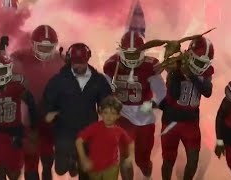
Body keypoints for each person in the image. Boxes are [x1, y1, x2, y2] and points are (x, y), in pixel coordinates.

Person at [43, 42, 112, 180]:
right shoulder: (58, 80)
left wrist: (105, 110)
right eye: (75, 62)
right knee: (61, 170)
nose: (78, 65)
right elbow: (47, 102)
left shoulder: (98, 80)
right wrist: (50, 114)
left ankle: (77, 161)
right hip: (64, 130)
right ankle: (70, 160)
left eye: (81, 62)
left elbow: (107, 101)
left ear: (87, 59)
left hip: (88, 130)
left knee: (86, 172)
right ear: (69, 60)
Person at [103, 30, 166, 180]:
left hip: (144, 117)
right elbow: (104, 93)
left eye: (135, 54)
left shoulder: (151, 66)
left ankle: (146, 174)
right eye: (128, 54)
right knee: (125, 156)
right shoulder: (112, 65)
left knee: (142, 160)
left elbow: (161, 91)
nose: (131, 58)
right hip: (122, 116)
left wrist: (151, 104)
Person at [10, 24, 63, 180]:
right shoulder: (18, 57)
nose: (45, 52)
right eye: (42, 47)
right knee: (31, 157)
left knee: (47, 156)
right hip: (27, 114)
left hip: (49, 114)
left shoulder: (62, 60)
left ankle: (47, 170)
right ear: (32, 44)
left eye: (49, 48)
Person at [159, 36, 214, 180]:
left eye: (203, 63)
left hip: (191, 121)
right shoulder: (175, 67)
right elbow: (175, 94)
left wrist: (192, 76)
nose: (200, 66)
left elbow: (207, 92)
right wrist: (177, 72)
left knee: (193, 160)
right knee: (168, 160)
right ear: (189, 54)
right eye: (197, 61)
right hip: (171, 120)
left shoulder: (206, 71)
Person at [0, 50, 37, 180]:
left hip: (14, 134)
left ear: (9, 69)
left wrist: (33, 128)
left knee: (14, 174)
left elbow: (31, 105)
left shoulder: (17, 85)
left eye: (2, 70)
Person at [76, 96, 134, 180]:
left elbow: (130, 142)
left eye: (113, 113)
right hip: (94, 168)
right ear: (101, 112)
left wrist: (130, 157)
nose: (109, 116)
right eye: (106, 112)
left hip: (112, 167)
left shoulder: (119, 131)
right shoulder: (94, 127)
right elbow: (79, 141)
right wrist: (83, 159)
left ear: (118, 115)